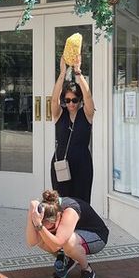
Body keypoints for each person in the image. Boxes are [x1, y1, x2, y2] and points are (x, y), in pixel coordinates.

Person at [26, 189, 109, 278]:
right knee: (42, 238)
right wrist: (31, 214)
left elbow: (56, 244)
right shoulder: (45, 209)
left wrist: (39, 226)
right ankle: (68, 259)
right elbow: (32, 242)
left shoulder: (70, 211)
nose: (50, 231)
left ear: (59, 215)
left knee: (68, 242)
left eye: (52, 228)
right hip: (75, 234)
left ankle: (87, 270)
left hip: (97, 236)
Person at [50, 53, 95, 203]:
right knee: (62, 202)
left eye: (74, 100)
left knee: (81, 202)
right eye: (67, 100)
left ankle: (80, 227)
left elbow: (88, 97)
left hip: (82, 164)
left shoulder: (86, 114)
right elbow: (54, 98)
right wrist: (62, 72)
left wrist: (77, 72)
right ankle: (63, 227)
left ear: (79, 100)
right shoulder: (59, 115)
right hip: (61, 164)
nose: (71, 103)